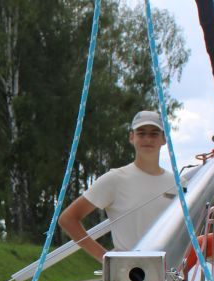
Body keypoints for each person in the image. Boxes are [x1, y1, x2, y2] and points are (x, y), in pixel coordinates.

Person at [56, 110, 179, 262]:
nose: (148, 139)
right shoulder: (115, 179)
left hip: (171, 271)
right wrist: (105, 258)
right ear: (132, 137)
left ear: (164, 139)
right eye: (141, 133)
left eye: (154, 134)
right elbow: (68, 219)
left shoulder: (178, 184)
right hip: (129, 273)